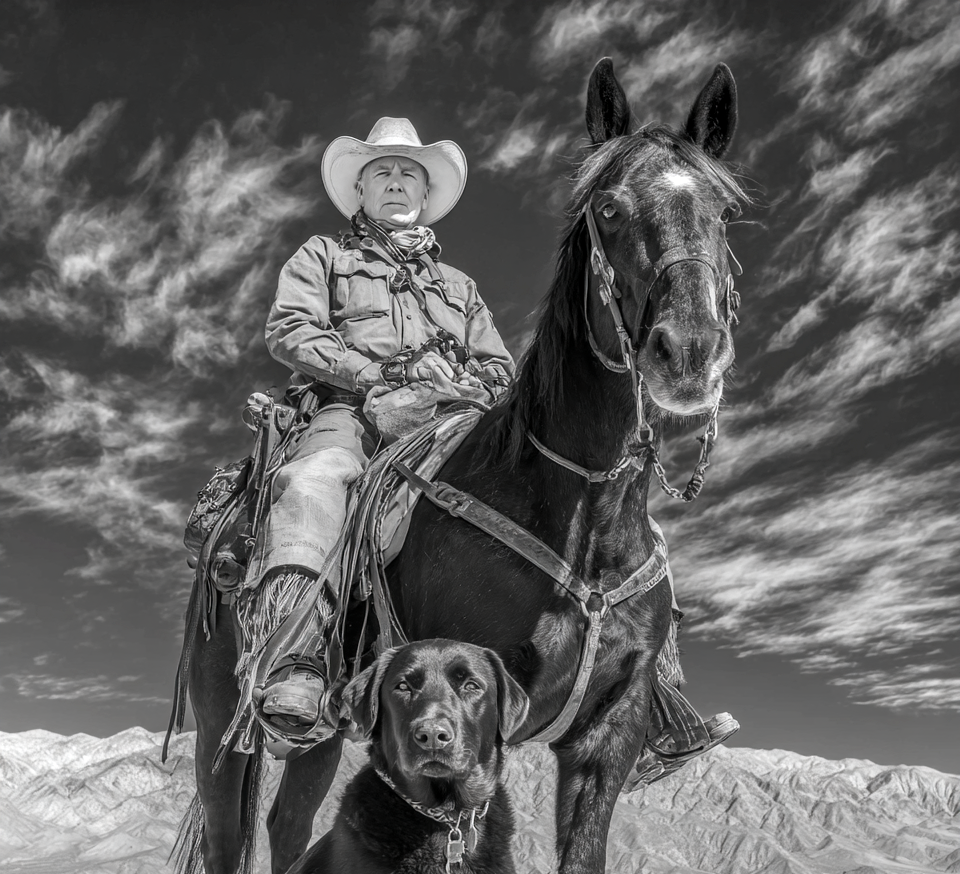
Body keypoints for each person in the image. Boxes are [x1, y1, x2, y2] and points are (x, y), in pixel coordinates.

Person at [233, 115, 735, 775]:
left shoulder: (458, 287)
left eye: (408, 173)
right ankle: (298, 658)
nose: (395, 182)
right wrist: (382, 374)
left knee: (620, 521)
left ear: (424, 192)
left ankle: (648, 698)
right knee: (313, 485)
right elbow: (291, 330)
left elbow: (499, 369)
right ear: (360, 188)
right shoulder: (323, 257)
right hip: (351, 413)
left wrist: (468, 385)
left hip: (454, 424)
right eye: (382, 172)